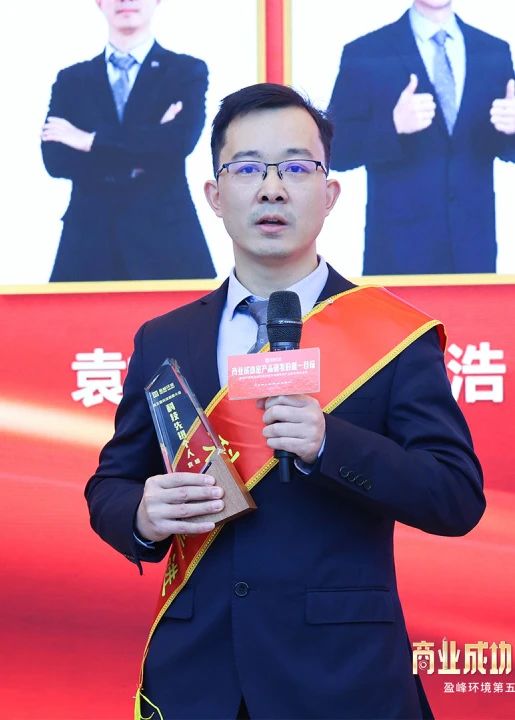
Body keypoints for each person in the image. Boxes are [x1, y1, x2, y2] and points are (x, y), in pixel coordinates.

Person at [85, 83, 485, 719]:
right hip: (198, 681)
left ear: (330, 194)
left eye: (296, 168)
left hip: (342, 680)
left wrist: (331, 444)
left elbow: (456, 496)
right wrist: (142, 514)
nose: (272, 189)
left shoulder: (393, 337)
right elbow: (111, 484)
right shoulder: (165, 339)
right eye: (247, 169)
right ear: (215, 196)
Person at [327, 0, 515, 275]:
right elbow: (335, 150)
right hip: (397, 255)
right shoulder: (366, 52)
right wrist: (392, 125)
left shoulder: (494, 51)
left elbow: (504, 148)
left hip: (475, 252)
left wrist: (512, 128)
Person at [41, 0, 215, 282]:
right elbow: (56, 160)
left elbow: (180, 142)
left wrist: (89, 140)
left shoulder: (185, 71)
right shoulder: (71, 79)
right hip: (88, 244)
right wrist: (151, 140)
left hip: (167, 242)